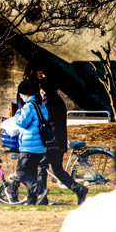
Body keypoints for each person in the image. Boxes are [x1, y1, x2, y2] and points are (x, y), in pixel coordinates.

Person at [23, 64, 88, 206]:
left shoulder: (47, 100)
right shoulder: (58, 99)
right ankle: (79, 189)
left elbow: (41, 117)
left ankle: (42, 198)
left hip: (52, 142)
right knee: (57, 170)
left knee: (41, 167)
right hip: (59, 142)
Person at [0, 80, 49, 205]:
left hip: (29, 145)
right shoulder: (41, 105)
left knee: (21, 172)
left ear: (25, 93)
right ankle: (32, 200)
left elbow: (22, 122)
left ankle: (39, 190)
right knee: (31, 172)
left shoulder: (28, 106)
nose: (20, 96)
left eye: (21, 94)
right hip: (40, 146)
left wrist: (17, 113)